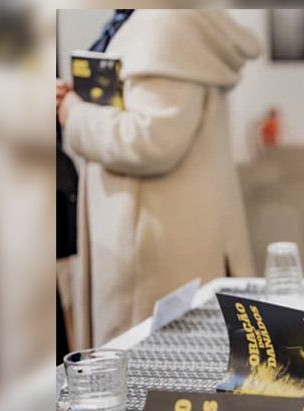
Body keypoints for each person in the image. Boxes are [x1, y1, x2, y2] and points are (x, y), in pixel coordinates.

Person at [57, 10, 258, 347]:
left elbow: (150, 141)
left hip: (152, 239)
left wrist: (75, 114)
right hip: (152, 226)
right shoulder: (150, 19)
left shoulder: (166, 23)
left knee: (149, 368)